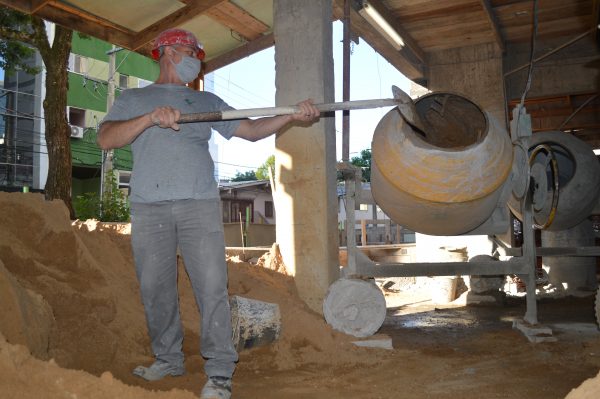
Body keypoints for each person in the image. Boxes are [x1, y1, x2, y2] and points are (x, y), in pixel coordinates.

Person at [97, 28, 320, 399]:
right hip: (149, 208)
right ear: (167, 52)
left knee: (212, 288)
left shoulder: (204, 101)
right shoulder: (134, 98)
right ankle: (168, 359)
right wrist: (151, 119)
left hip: (198, 205)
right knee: (156, 289)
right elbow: (106, 138)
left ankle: (219, 372)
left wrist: (291, 116)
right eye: (189, 52)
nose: (195, 60)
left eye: (197, 55)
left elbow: (250, 130)